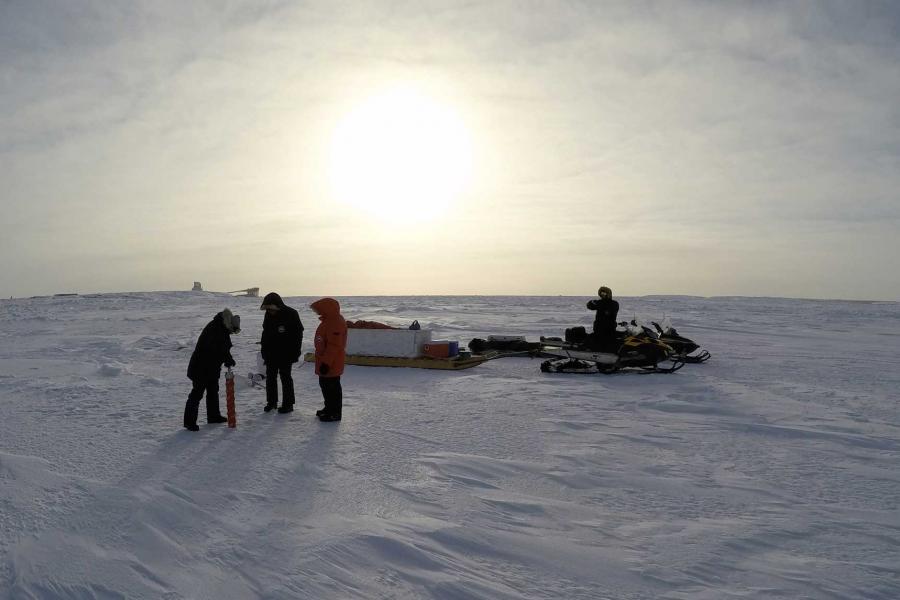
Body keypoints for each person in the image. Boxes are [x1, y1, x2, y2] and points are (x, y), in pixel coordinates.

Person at [184, 308, 240, 431]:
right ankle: (189, 422)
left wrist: (228, 358)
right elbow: (215, 349)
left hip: (212, 367)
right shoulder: (216, 328)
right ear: (229, 324)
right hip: (201, 367)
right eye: (232, 331)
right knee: (197, 393)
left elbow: (224, 348)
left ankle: (213, 416)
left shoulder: (222, 327)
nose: (231, 333)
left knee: (213, 391)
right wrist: (226, 358)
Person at [260, 292, 304, 413]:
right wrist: (264, 350)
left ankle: (288, 404)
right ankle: (272, 402)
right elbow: (265, 334)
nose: (269, 311)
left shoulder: (291, 314)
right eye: (267, 309)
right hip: (271, 353)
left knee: (285, 377)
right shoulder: (268, 315)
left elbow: (298, 335)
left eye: (271, 309)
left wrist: (295, 352)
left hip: (286, 353)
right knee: (270, 378)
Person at [310, 297, 347, 422]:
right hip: (325, 361)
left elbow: (334, 345)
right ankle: (328, 408)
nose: (317, 312)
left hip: (332, 362)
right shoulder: (328, 320)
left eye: (319, 310)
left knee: (332, 388)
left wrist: (326, 363)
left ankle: (335, 413)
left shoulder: (335, 322)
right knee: (325, 386)